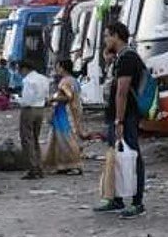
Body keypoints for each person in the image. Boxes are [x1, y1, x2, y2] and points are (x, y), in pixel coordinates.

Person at [93, 21, 147, 219]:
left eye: (107, 36)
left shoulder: (128, 59)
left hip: (127, 116)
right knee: (115, 157)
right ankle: (116, 197)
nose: (105, 40)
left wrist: (119, 121)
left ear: (116, 36)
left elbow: (122, 92)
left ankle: (137, 201)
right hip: (118, 115)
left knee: (132, 157)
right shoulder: (119, 58)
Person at [42, 59, 85, 175]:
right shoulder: (74, 80)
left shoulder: (65, 81)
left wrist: (53, 99)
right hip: (73, 110)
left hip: (64, 113)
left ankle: (73, 164)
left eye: (58, 67)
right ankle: (60, 164)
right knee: (58, 138)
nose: (57, 69)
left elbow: (68, 96)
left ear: (63, 68)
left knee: (66, 138)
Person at [15, 60, 50, 180]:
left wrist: (16, 99)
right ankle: (39, 166)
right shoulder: (44, 79)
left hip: (29, 110)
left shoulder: (28, 80)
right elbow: (46, 96)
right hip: (40, 109)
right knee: (35, 138)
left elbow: (26, 100)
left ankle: (32, 168)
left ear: (24, 69)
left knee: (27, 139)